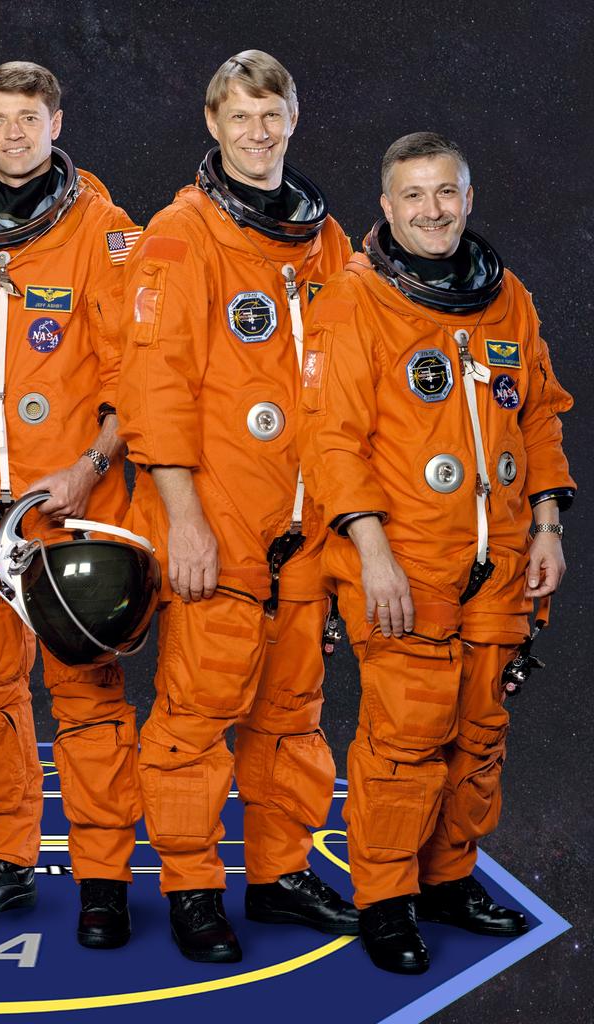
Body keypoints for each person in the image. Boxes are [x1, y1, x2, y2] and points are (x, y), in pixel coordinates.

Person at [297, 132, 573, 974]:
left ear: (467, 196)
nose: (431, 211)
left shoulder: (508, 299)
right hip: (405, 561)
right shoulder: (354, 301)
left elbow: (540, 415)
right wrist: (371, 552)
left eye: (445, 193)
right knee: (405, 740)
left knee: (480, 733)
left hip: (503, 559)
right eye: (412, 196)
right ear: (386, 207)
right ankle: (386, 897)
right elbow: (331, 439)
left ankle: (450, 875)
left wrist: (550, 525)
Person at [117, 51, 358, 964]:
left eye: (273, 117)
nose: (258, 134)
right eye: (241, 117)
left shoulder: (326, 240)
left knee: (292, 711)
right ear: (212, 126)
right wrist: (181, 519)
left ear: (291, 122)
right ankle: (189, 887)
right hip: (218, 520)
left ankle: (281, 871)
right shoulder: (181, 237)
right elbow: (154, 390)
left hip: (306, 527)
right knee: (196, 713)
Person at [0, 60, 141, 948]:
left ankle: (101, 880)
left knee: (88, 699)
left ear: (59, 121)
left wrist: (90, 468)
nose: (14, 134)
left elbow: (144, 373)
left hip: (69, 502)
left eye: (30, 117)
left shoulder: (108, 228)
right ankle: (9, 860)